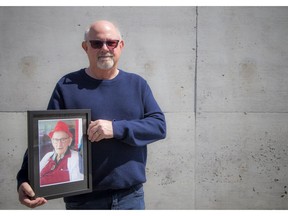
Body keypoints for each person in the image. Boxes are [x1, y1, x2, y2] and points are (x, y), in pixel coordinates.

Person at [17, 20, 166, 209]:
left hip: (129, 198)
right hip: (82, 201)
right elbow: (44, 136)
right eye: (96, 43)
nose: (105, 48)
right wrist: (24, 178)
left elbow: (159, 126)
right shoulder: (67, 85)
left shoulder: (137, 84)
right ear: (85, 47)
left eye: (111, 42)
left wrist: (115, 128)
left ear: (121, 45)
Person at [40, 121, 84, 186]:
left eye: (63, 139)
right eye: (56, 140)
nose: (59, 144)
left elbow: (77, 186)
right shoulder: (47, 156)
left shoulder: (76, 157)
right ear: (52, 141)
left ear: (69, 141)